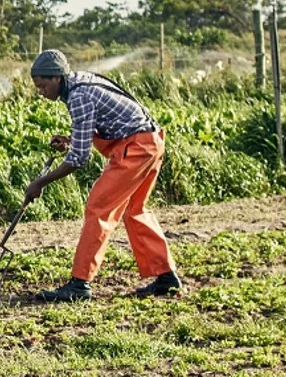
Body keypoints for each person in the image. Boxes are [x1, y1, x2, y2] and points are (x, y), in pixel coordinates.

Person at [22, 49, 181, 301]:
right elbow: (105, 123)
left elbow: (79, 159)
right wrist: (71, 139)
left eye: (42, 86)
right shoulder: (80, 83)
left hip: (135, 148)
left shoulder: (78, 96)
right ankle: (166, 277)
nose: (41, 93)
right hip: (150, 142)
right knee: (134, 210)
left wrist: (40, 182)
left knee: (98, 208)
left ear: (56, 78)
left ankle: (79, 284)